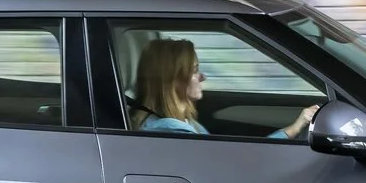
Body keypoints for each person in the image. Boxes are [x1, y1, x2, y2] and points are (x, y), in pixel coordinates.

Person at [131, 37, 320, 140]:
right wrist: (294, 130)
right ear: (173, 79)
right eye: (195, 70)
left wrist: (295, 127)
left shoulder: (184, 124)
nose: (203, 77)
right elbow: (244, 165)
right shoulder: (173, 135)